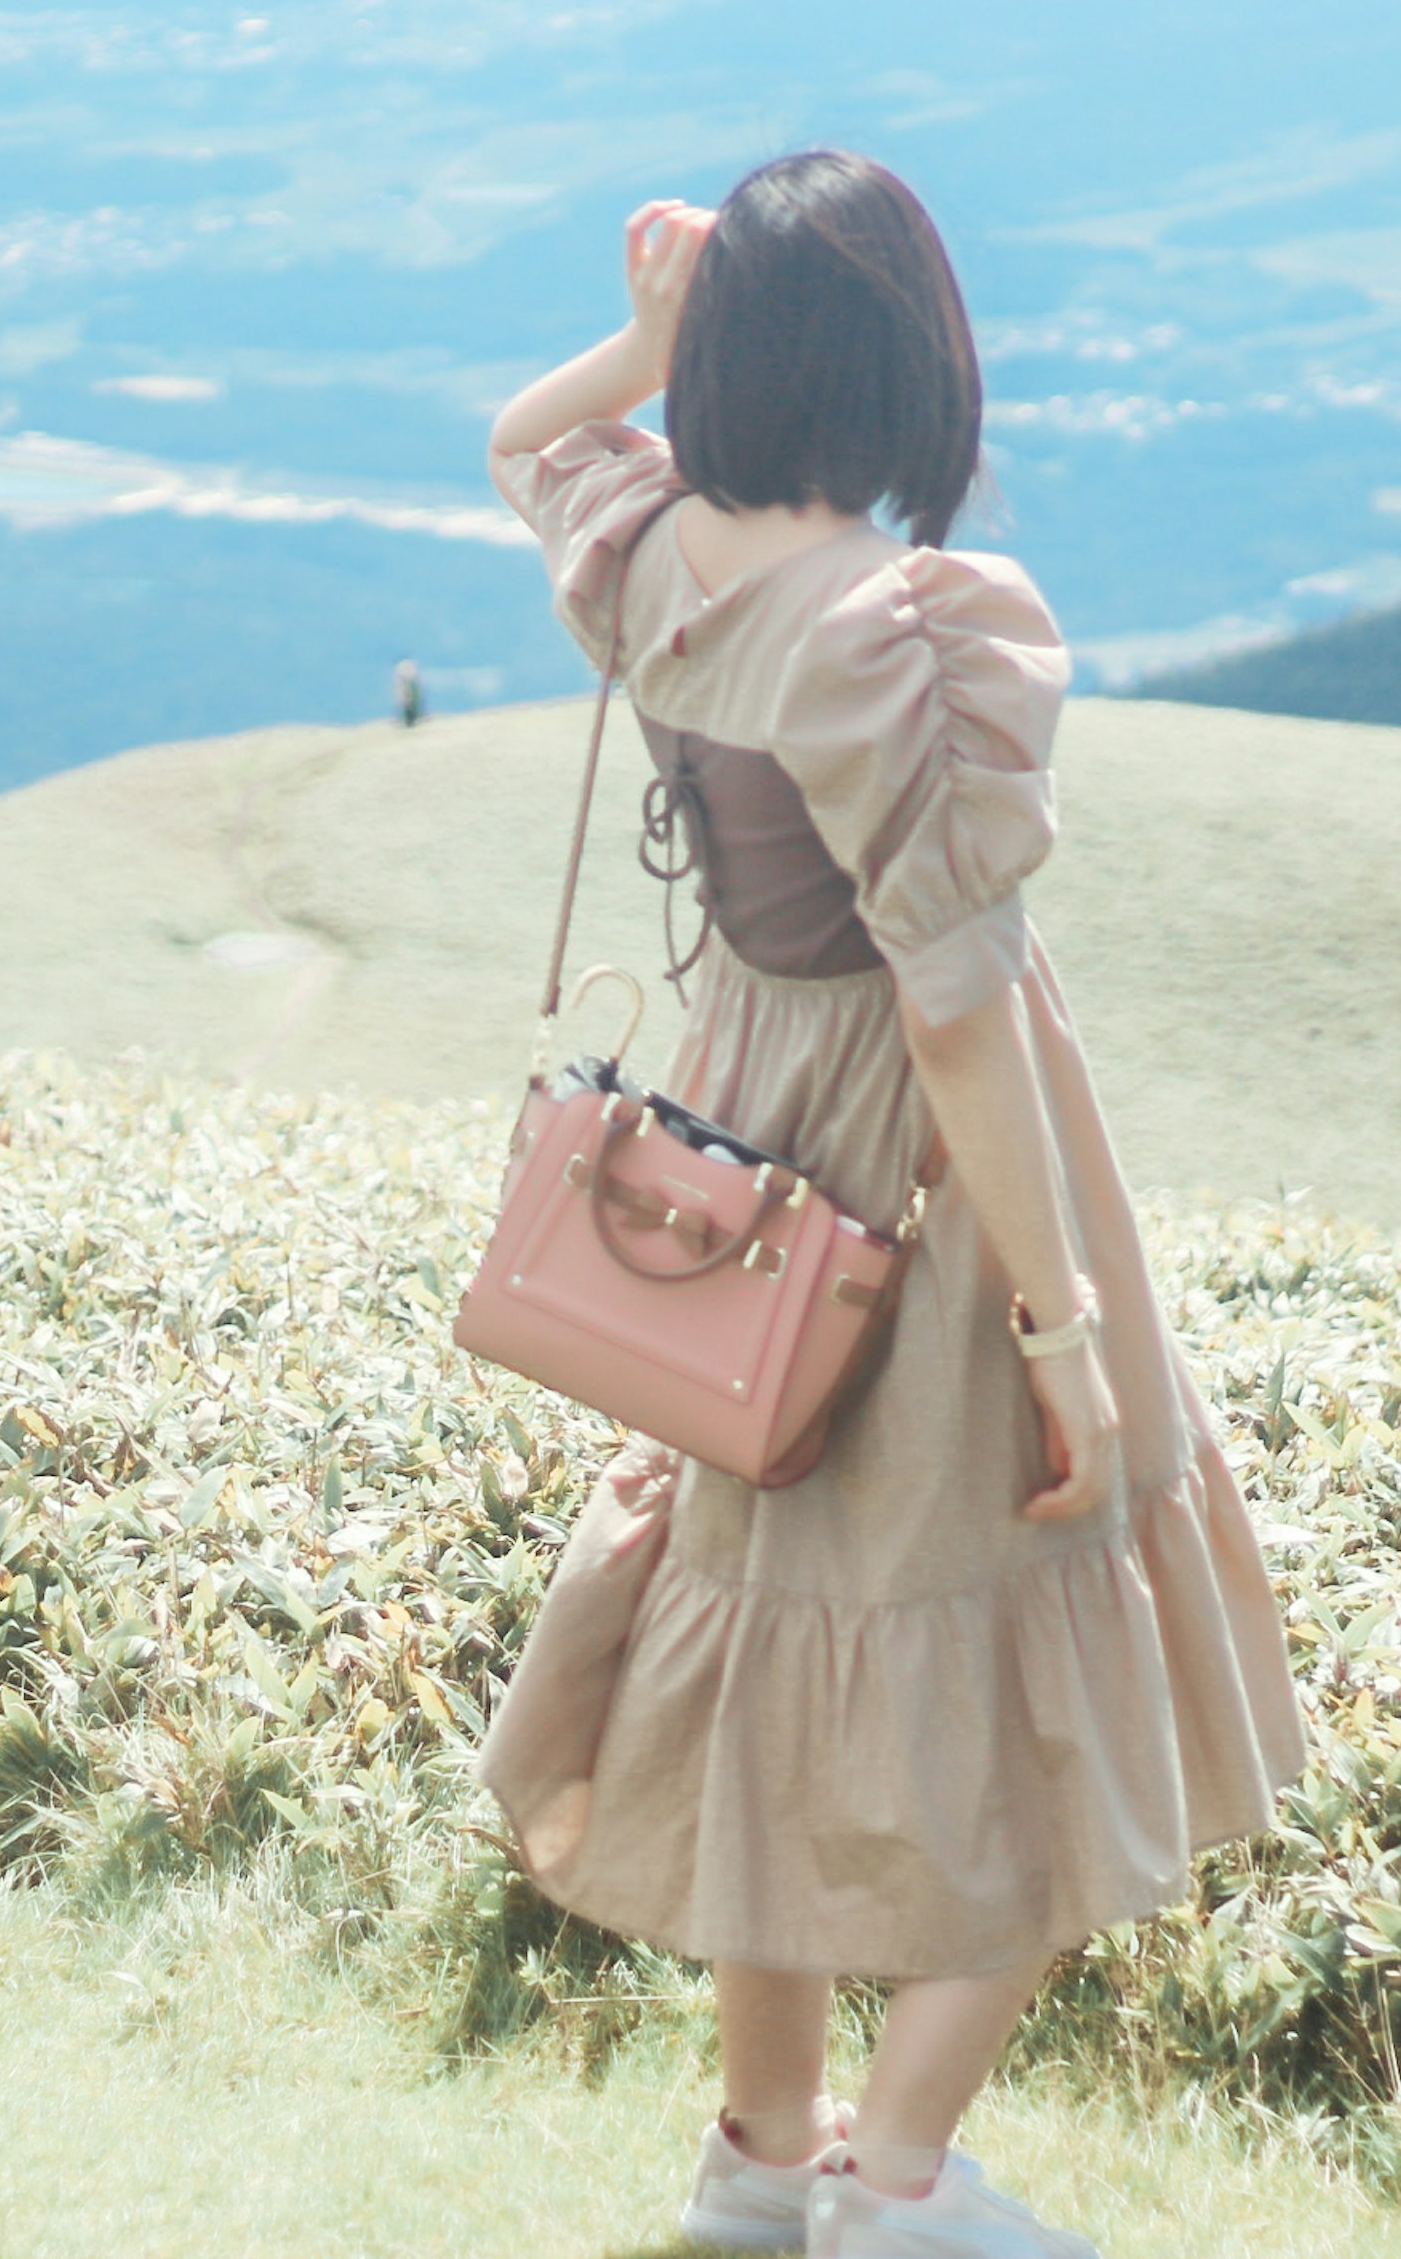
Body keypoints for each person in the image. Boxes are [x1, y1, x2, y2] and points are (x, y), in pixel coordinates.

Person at [473, 151, 1306, 2259]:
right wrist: (1066, 1332)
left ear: (746, 360)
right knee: (1067, 1617)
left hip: (748, 1167)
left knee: (772, 1642)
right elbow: (956, 1015)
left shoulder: (655, 562)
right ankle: (904, 2177)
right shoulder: (905, 629)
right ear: (912, 359)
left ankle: (767, 2157)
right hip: (928, 1195)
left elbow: (528, 440)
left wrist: (651, 346)